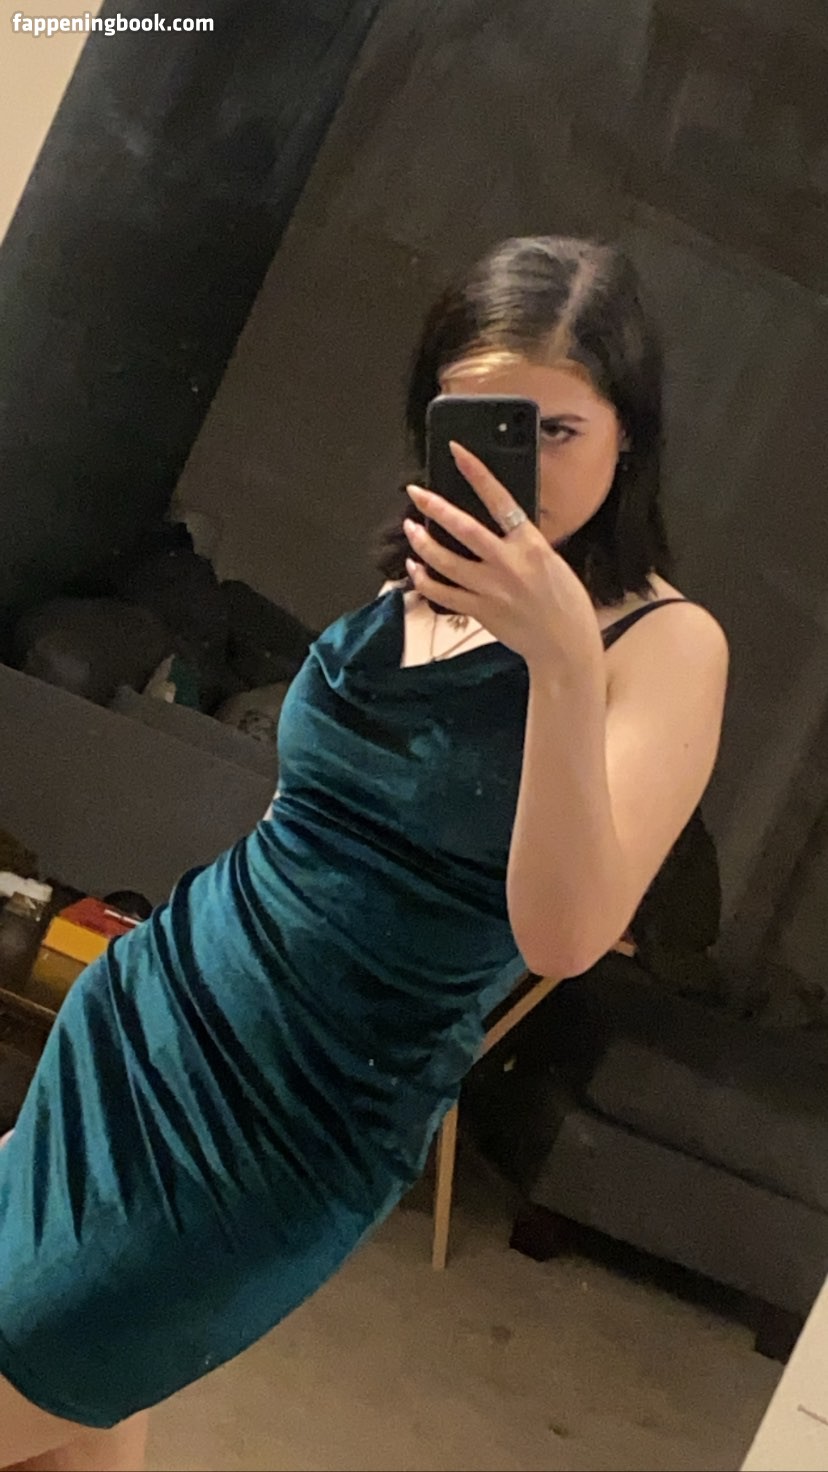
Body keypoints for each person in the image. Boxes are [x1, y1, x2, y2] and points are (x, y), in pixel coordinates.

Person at [0, 236, 728, 1470]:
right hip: (142, 1025)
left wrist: (560, 658)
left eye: (558, 429)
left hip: (285, 1132)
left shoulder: (664, 644)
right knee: (67, 1437)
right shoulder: (423, 583)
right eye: (480, 418)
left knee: (55, 1364)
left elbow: (563, 933)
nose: (516, 464)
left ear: (630, 435)